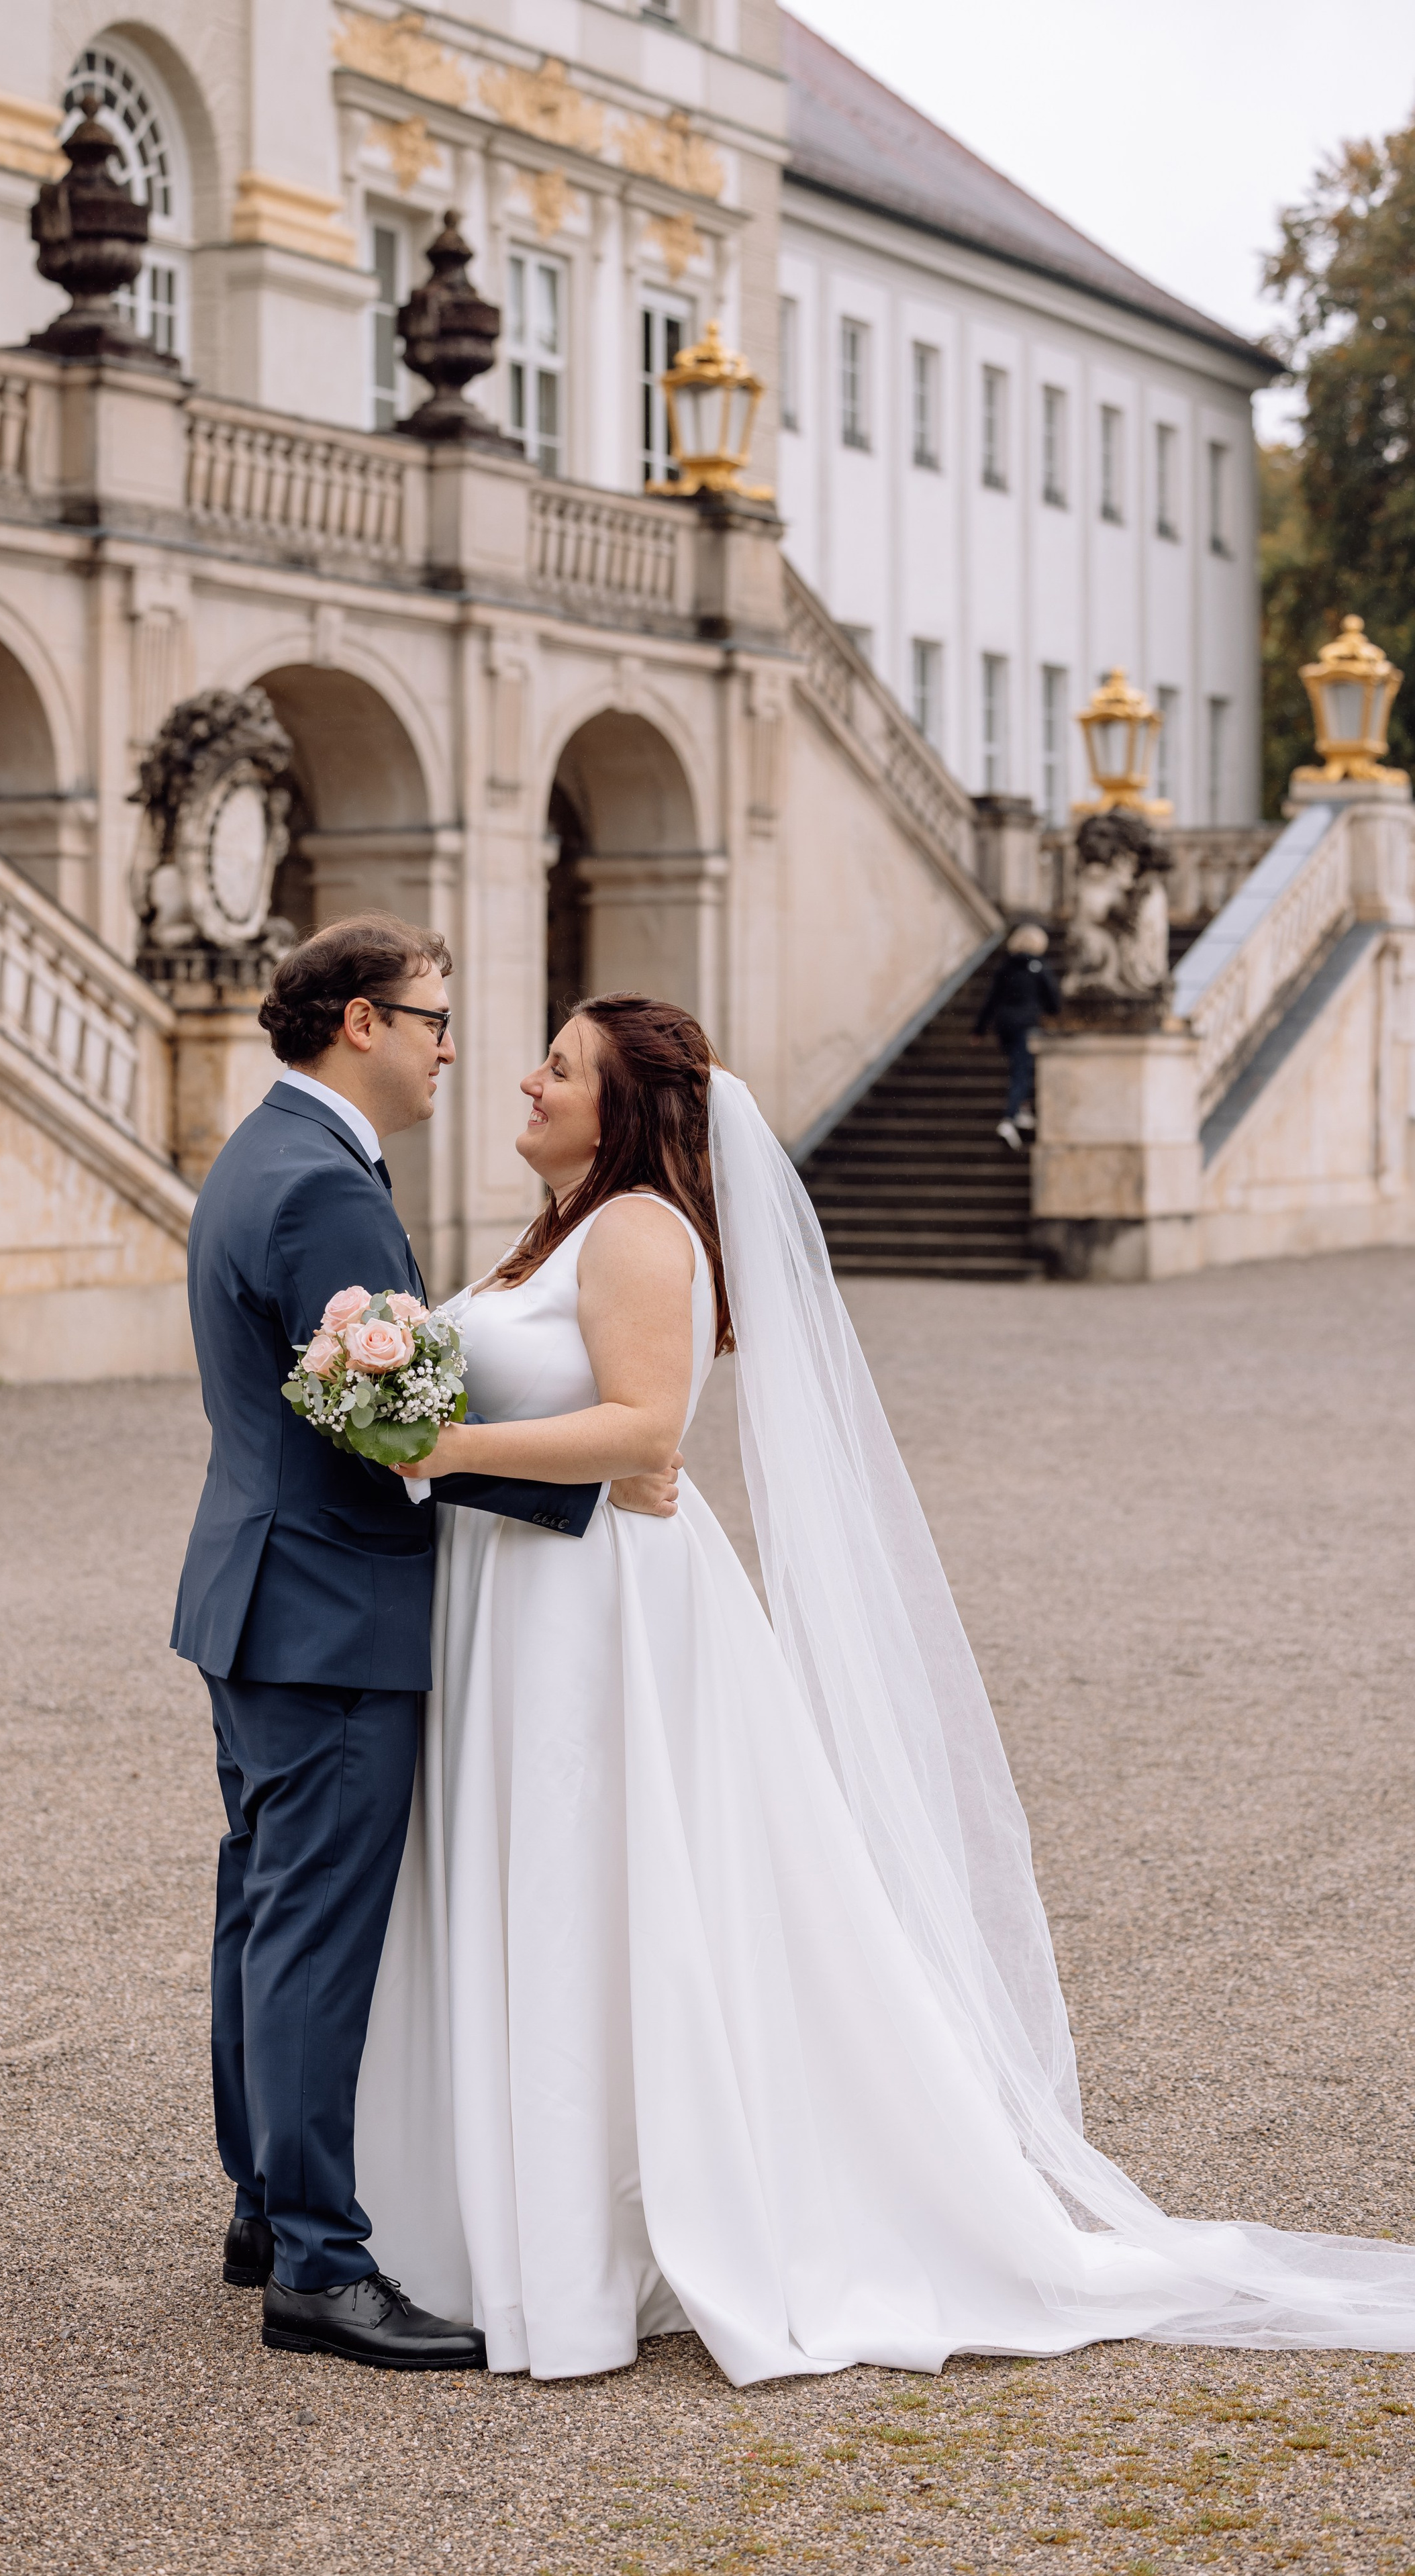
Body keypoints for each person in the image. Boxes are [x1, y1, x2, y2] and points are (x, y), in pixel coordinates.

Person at [346, 991, 1415, 2384]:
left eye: (560, 1068)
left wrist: (434, 1438)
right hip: (522, 1589)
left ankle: (589, 2248)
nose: (528, 1082)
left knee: (596, 1889)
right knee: (555, 1888)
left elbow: (642, 1429)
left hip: (593, 1607)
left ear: (625, 1111)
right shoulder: (552, 1231)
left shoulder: (633, 1230)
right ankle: (534, 2222)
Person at [170, 915, 677, 2374]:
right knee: (314, 1930)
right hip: (329, 1604)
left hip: (264, 1590)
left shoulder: (272, 1150)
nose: (456, 1046)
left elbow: (369, 1412)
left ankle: (270, 2207)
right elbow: (379, 1422)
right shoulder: (327, 1191)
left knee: (267, 1910)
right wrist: (574, 1479)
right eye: (434, 1016)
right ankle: (320, 2263)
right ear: (358, 1023)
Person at [973, 922, 1062, 1148]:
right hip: (1025, 1024)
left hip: (1004, 1025)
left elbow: (991, 999)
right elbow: (1053, 1000)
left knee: (1019, 1066)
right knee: (1022, 1071)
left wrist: (979, 1029)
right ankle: (1009, 1119)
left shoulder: (1006, 967)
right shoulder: (1039, 966)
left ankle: (1023, 1110)